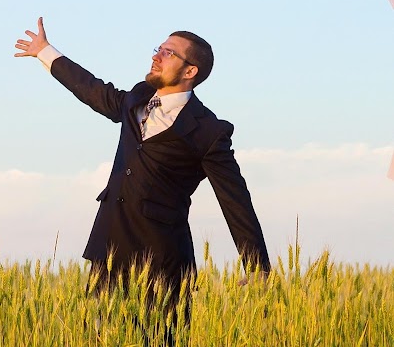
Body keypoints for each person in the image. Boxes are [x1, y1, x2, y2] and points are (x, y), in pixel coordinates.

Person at [15, 18, 270, 327]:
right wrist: (45, 51)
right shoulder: (137, 99)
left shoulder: (208, 131)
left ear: (190, 71)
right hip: (108, 253)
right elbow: (93, 90)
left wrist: (257, 266)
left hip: (163, 265)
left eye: (168, 53)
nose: (156, 56)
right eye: (158, 49)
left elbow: (235, 200)